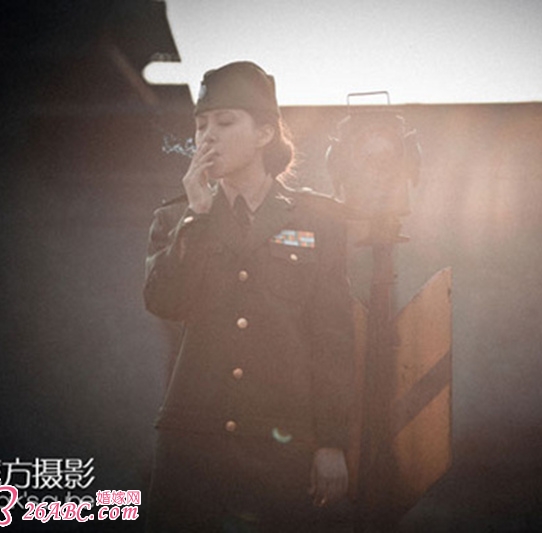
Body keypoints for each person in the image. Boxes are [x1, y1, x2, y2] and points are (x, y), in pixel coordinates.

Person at [143, 61, 355, 532]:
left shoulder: (316, 223)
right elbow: (164, 303)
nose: (207, 137)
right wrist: (197, 218)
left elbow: (332, 338)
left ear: (264, 133)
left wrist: (331, 441)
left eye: (224, 122)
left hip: (281, 443)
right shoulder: (177, 219)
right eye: (200, 125)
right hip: (193, 445)